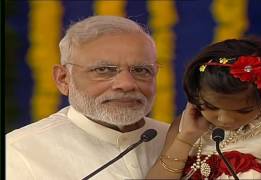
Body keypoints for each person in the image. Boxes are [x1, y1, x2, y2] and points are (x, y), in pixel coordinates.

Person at [6, 15, 169, 180]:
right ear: (63, 79)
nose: (126, 84)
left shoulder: (180, 142)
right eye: (104, 70)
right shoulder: (19, 153)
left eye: (141, 70)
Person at [146, 37, 261, 179]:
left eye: (242, 110)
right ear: (197, 95)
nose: (224, 119)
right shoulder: (185, 124)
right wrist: (186, 138)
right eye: (211, 106)